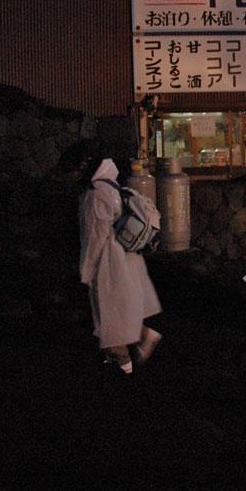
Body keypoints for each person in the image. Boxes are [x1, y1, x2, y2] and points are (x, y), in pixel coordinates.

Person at [78, 149, 163, 374]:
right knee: (121, 316)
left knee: (111, 329)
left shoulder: (96, 194)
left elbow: (94, 236)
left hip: (108, 265)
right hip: (127, 261)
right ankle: (145, 337)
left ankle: (125, 374)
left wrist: (85, 271)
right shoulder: (115, 188)